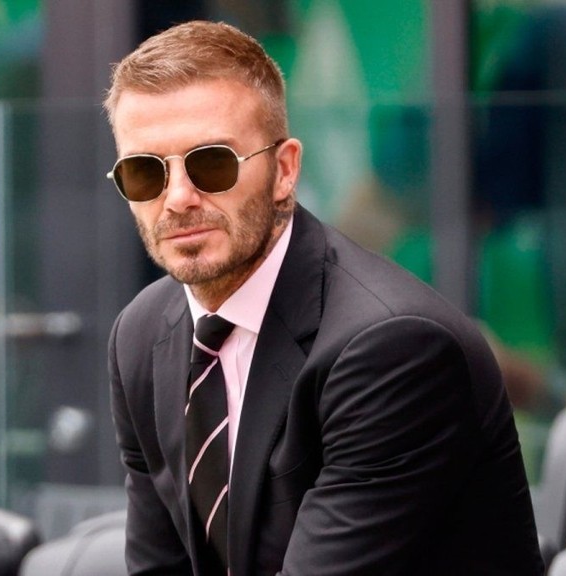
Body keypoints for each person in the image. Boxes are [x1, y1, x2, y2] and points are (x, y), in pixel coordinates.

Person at [103, 20, 543, 575]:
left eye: (212, 163)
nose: (178, 199)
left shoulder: (392, 348)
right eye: (145, 173)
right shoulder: (142, 334)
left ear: (284, 170)